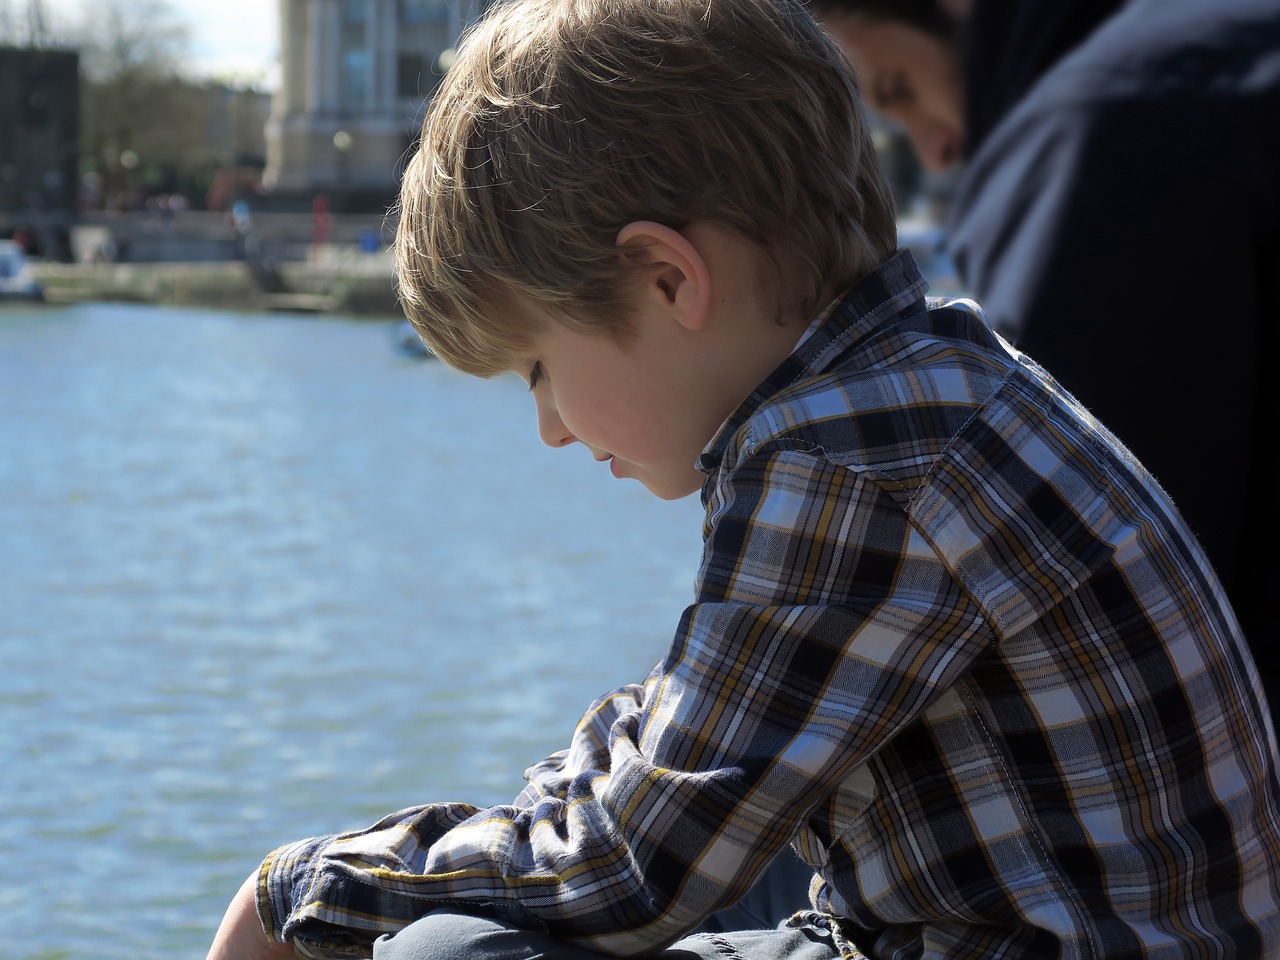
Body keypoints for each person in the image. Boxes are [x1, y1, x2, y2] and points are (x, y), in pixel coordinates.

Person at [206, 0, 1280, 957]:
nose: (547, 429)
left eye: (539, 369)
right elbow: (692, 718)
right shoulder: (919, 376)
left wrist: (304, 886)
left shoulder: (848, 457)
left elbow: (628, 869)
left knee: (443, 956)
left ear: (667, 277)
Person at [807, 0, 1280, 711]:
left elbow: (1060, 566)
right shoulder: (1228, 41)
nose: (935, 151)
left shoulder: (1101, 131)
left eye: (900, 88)